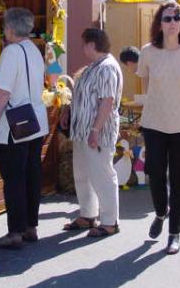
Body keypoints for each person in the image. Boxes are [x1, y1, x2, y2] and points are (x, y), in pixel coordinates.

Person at [136, 1, 180, 255]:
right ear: (159, 23)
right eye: (166, 18)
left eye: (176, 18)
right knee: (155, 174)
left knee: (179, 182)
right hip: (155, 123)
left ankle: (174, 233)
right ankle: (160, 212)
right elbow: (146, 85)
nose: (172, 22)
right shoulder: (148, 51)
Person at [0, 8, 49, 249]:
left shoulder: (12, 51)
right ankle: (30, 226)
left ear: (10, 29)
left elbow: (3, 92)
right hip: (36, 120)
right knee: (32, 174)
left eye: (4, 27)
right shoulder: (34, 49)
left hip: (15, 123)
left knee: (13, 178)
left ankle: (14, 232)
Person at [60, 28, 123, 237]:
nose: (82, 47)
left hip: (97, 132)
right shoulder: (93, 67)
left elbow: (108, 101)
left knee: (102, 175)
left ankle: (110, 221)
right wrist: (69, 111)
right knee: (82, 174)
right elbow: (82, 95)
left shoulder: (106, 68)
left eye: (84, 43)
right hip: (82, 131)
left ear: (92, 44)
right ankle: (88, 214)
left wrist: (95, 129)